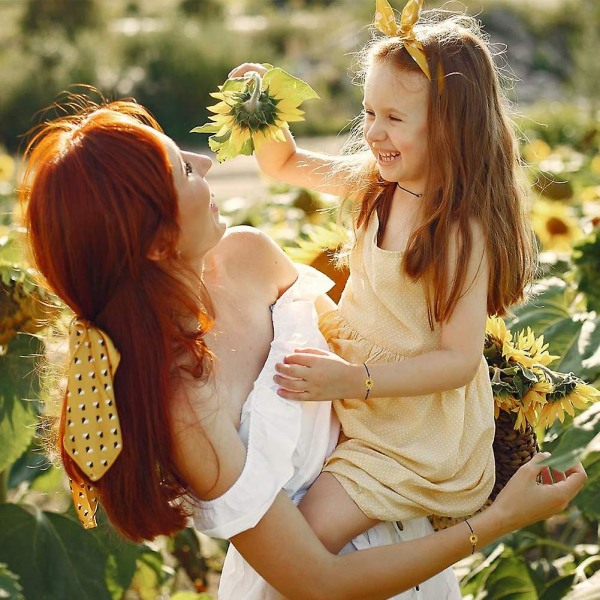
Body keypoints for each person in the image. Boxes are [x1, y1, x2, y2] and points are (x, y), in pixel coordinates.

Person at [20, 98, 585, 600]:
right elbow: (317, 581)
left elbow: (362, 352)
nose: (208, 164)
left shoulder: (248, 256)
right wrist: (499, 522)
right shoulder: (186, 406)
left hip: (407, 532)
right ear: (154, 238)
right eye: (183, 170)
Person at [229, 0, 539, 557]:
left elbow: (458, 360)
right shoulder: (380, 185)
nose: (374, 132)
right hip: (352, 379)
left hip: (409, 429)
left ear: (452, 128)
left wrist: (355, 381)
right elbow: (283, 165)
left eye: (395, 119)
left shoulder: (456, 234)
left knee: (307, 540)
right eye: (369, 113)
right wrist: (260, 108)